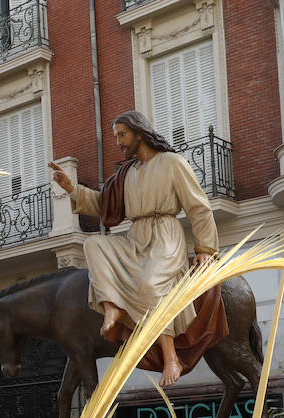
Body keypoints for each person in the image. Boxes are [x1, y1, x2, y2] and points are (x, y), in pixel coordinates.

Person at [49, 110, 219, 386]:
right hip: (135, 237)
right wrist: (72, 189)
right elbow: (103, 204)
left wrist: (205, 249)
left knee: (151, 284)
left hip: (165, 236)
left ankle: (171, 356)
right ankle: (112, 306)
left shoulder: (172, 163)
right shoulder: (127, 173)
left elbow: (198, 206)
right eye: (115, 136)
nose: (118, 142)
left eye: (122, 135)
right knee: (94, 244)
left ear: (139, 133)